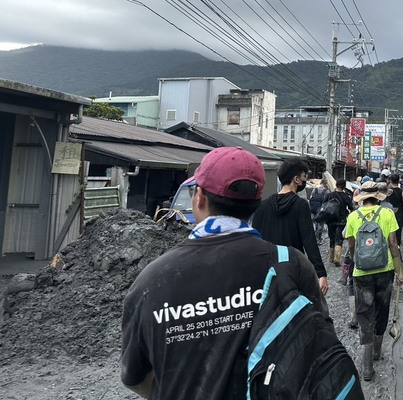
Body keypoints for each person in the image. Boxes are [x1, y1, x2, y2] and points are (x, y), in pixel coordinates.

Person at [121, 147, 330, 399]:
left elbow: (135, 376)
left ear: (199, 198)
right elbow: (321, 349)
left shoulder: (151, 280)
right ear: (255, 202)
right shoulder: (294, 266)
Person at [345, 181, 403, 381]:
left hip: (361, 273)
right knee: (382, 310)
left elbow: (351, 245)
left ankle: (367, 368)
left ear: (362, 197)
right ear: (378, 197)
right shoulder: (387, 213)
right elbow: (393, 243)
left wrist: (357, 263)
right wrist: (400, 271)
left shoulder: (353, 216)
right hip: (385, 270)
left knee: (364, 314)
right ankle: (377, 352)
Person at [250, 158, 329, 295]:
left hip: (268, 271)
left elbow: (255, 242)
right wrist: (321, 274)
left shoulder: (262, 206)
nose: (305, 181)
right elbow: (309, 241)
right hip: (293, 270)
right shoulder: (300, 205)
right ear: (296, 179)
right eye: (304, 177)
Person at [325, 179, 355, 267]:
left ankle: (331, 257)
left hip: (330, 220)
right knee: (339, 239)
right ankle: (337, 259)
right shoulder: (346, 196)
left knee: (331, 238)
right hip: (341, 221)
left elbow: (324, 204)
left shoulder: (330, 195)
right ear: (344, 186)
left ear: (336, 185)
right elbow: (351, 207)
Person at [386, 172, 403, 245]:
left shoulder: (387, 192)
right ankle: (397, 247)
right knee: (398, 233)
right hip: (398, 214)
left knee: (388, 232)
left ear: (390, 181)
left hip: (388, 214)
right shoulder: (402, 192)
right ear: (398, 181)